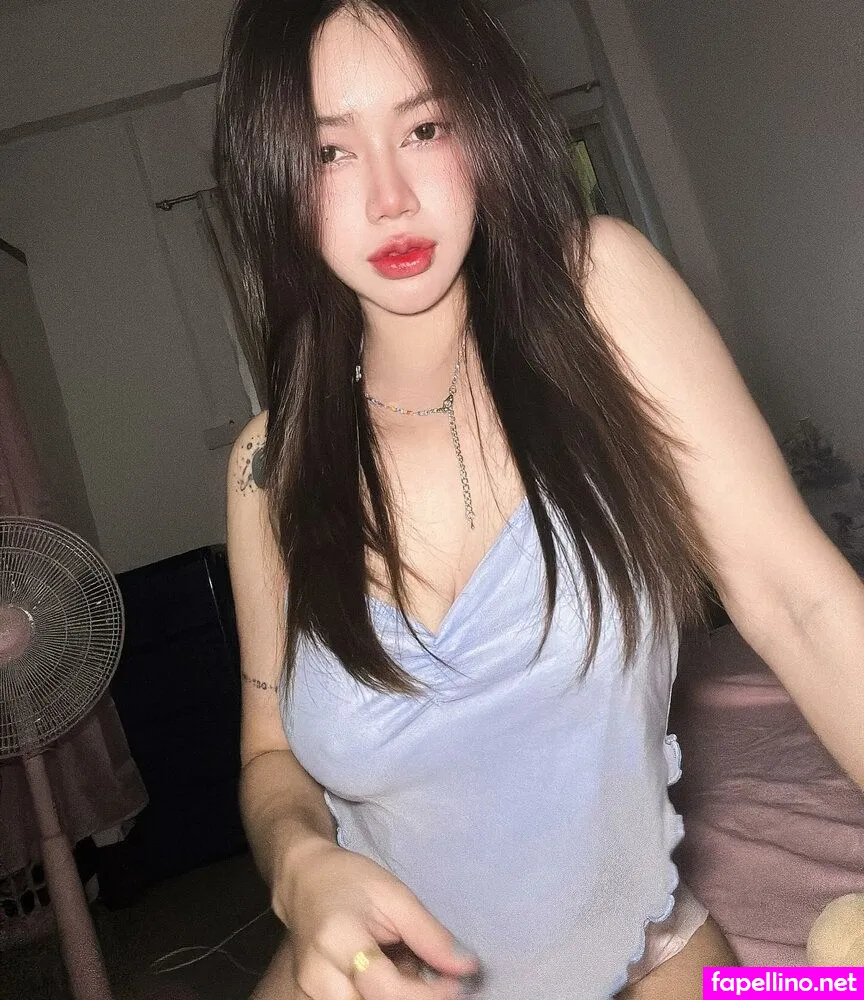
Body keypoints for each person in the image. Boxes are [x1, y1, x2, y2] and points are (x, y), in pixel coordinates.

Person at [217, 2, 864, 998]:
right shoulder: (269, 468)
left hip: (643, 964)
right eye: (329, 152)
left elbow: (802, 603)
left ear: (482, 123)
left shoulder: (597, 298)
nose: (390, 197)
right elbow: (271, 754)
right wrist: (301, 863)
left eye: (424, 128)